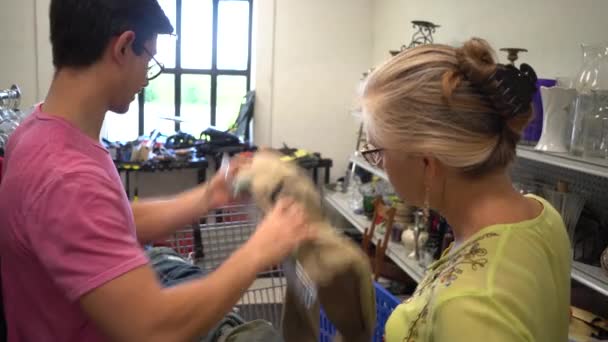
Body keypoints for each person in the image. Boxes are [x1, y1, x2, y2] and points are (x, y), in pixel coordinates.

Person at [0, 0, 315, 341]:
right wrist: (262, 248)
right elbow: (154, 328)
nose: (146, 80)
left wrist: (211, 194)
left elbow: (108, 221)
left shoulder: (38, 129)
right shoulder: (66, 176)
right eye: (149, 61)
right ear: (123, 47)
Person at [359, 38, 571, 341]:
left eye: (378, 151)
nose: (379, 163)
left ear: (427, 163)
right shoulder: (540, 214)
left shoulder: (469, 306)